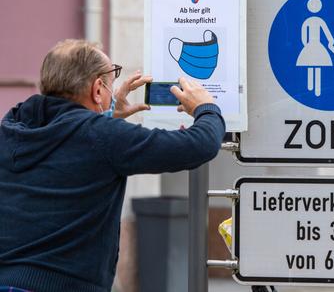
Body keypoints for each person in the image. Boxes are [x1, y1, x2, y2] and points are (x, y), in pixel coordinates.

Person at [0, 39, 226, 292]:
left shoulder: (11, 129)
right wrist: (207, 107)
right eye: (111, 81)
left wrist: (106, 114)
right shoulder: (103, 137)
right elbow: (199, 145)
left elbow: (70, 136)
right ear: (98, 89)